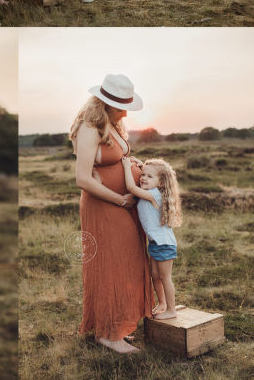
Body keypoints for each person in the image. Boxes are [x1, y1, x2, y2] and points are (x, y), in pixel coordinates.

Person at [70, 74, 152, 354]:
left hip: (121, 203)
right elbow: (83, 178)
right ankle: (108, 334)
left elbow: (117, 157)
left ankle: (117, 326)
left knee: (127, 260)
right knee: (110, 265)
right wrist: (120, 199)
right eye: (121, 106)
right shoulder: (89, 128)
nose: (126, 112)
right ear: (104, 103)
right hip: (104, 206)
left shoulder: (113, 124)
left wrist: (131, 163)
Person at [122, 156, 182, 319]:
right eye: (143, 175)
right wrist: (144, 167)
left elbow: (131, 188)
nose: (143, 178)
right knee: (155, 276)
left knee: (165, 277)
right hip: (155, 243)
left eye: (149, 176)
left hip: (164, 244)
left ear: (161, 182)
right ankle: (162, 303)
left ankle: (171, 310)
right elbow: (147, 178)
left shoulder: (154, 194)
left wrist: (127, 167)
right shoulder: (150, 191)